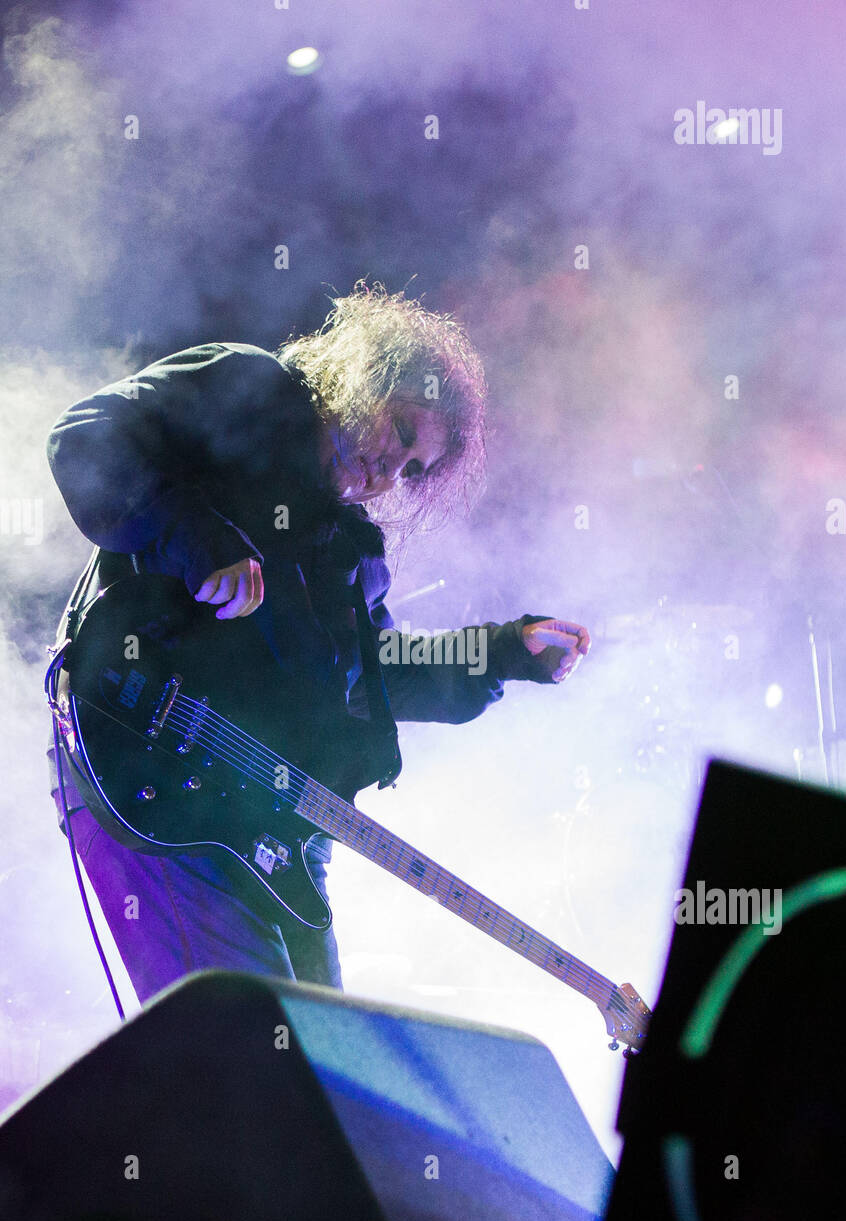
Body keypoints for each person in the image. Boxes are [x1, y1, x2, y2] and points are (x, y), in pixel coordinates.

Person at [46, 281, 590, 1002]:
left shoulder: (351, 554)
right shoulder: (248, 386)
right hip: (146, 758)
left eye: (414, 471)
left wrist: (505, 651)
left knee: (323, 1061)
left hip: (266, 824)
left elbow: (376, 678)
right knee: (244, 1061)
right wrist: (200, 538)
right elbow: (84, 436)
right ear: (365, 375)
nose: (390, 475)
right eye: (400, 434)